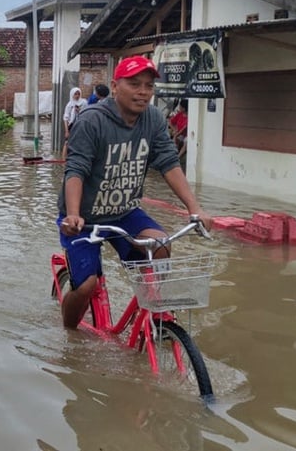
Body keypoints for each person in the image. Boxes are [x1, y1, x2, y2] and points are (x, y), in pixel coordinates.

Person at [57, 55, 213, 330]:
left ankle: (154, 313)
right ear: (115, 87)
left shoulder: (152, 118)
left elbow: (168, 162)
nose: (143, 92)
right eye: (135, 84)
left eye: (149, 86)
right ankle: (69, 335)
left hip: (125, 212)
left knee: (162, 245)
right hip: (85, 218)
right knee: (87, 286)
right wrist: (72, 214)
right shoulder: (92, 121)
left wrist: (195, 208)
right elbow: (76, 170)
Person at [62, 87, 88, 159]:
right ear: (72, 95)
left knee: (81, 141)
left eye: (78, 94)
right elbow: (66, 118)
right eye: (75, 94)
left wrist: (79, 111)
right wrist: (67, 131)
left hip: (81, 125)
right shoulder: (69, 104)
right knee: (67, 142)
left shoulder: (84, 103)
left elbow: (87, 114)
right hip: (72, 125)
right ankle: (64, 159)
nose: (77, 96)